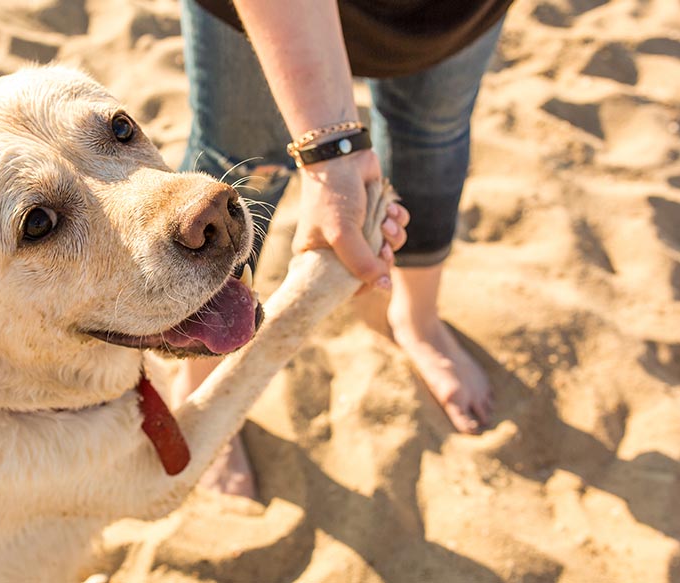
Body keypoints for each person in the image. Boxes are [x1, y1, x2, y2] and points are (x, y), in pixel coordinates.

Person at [173, 0, 513, 497]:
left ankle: (418, 319)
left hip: (452, 16)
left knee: (433, 133)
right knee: (242, 158)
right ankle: (203, 381)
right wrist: (332, 153)